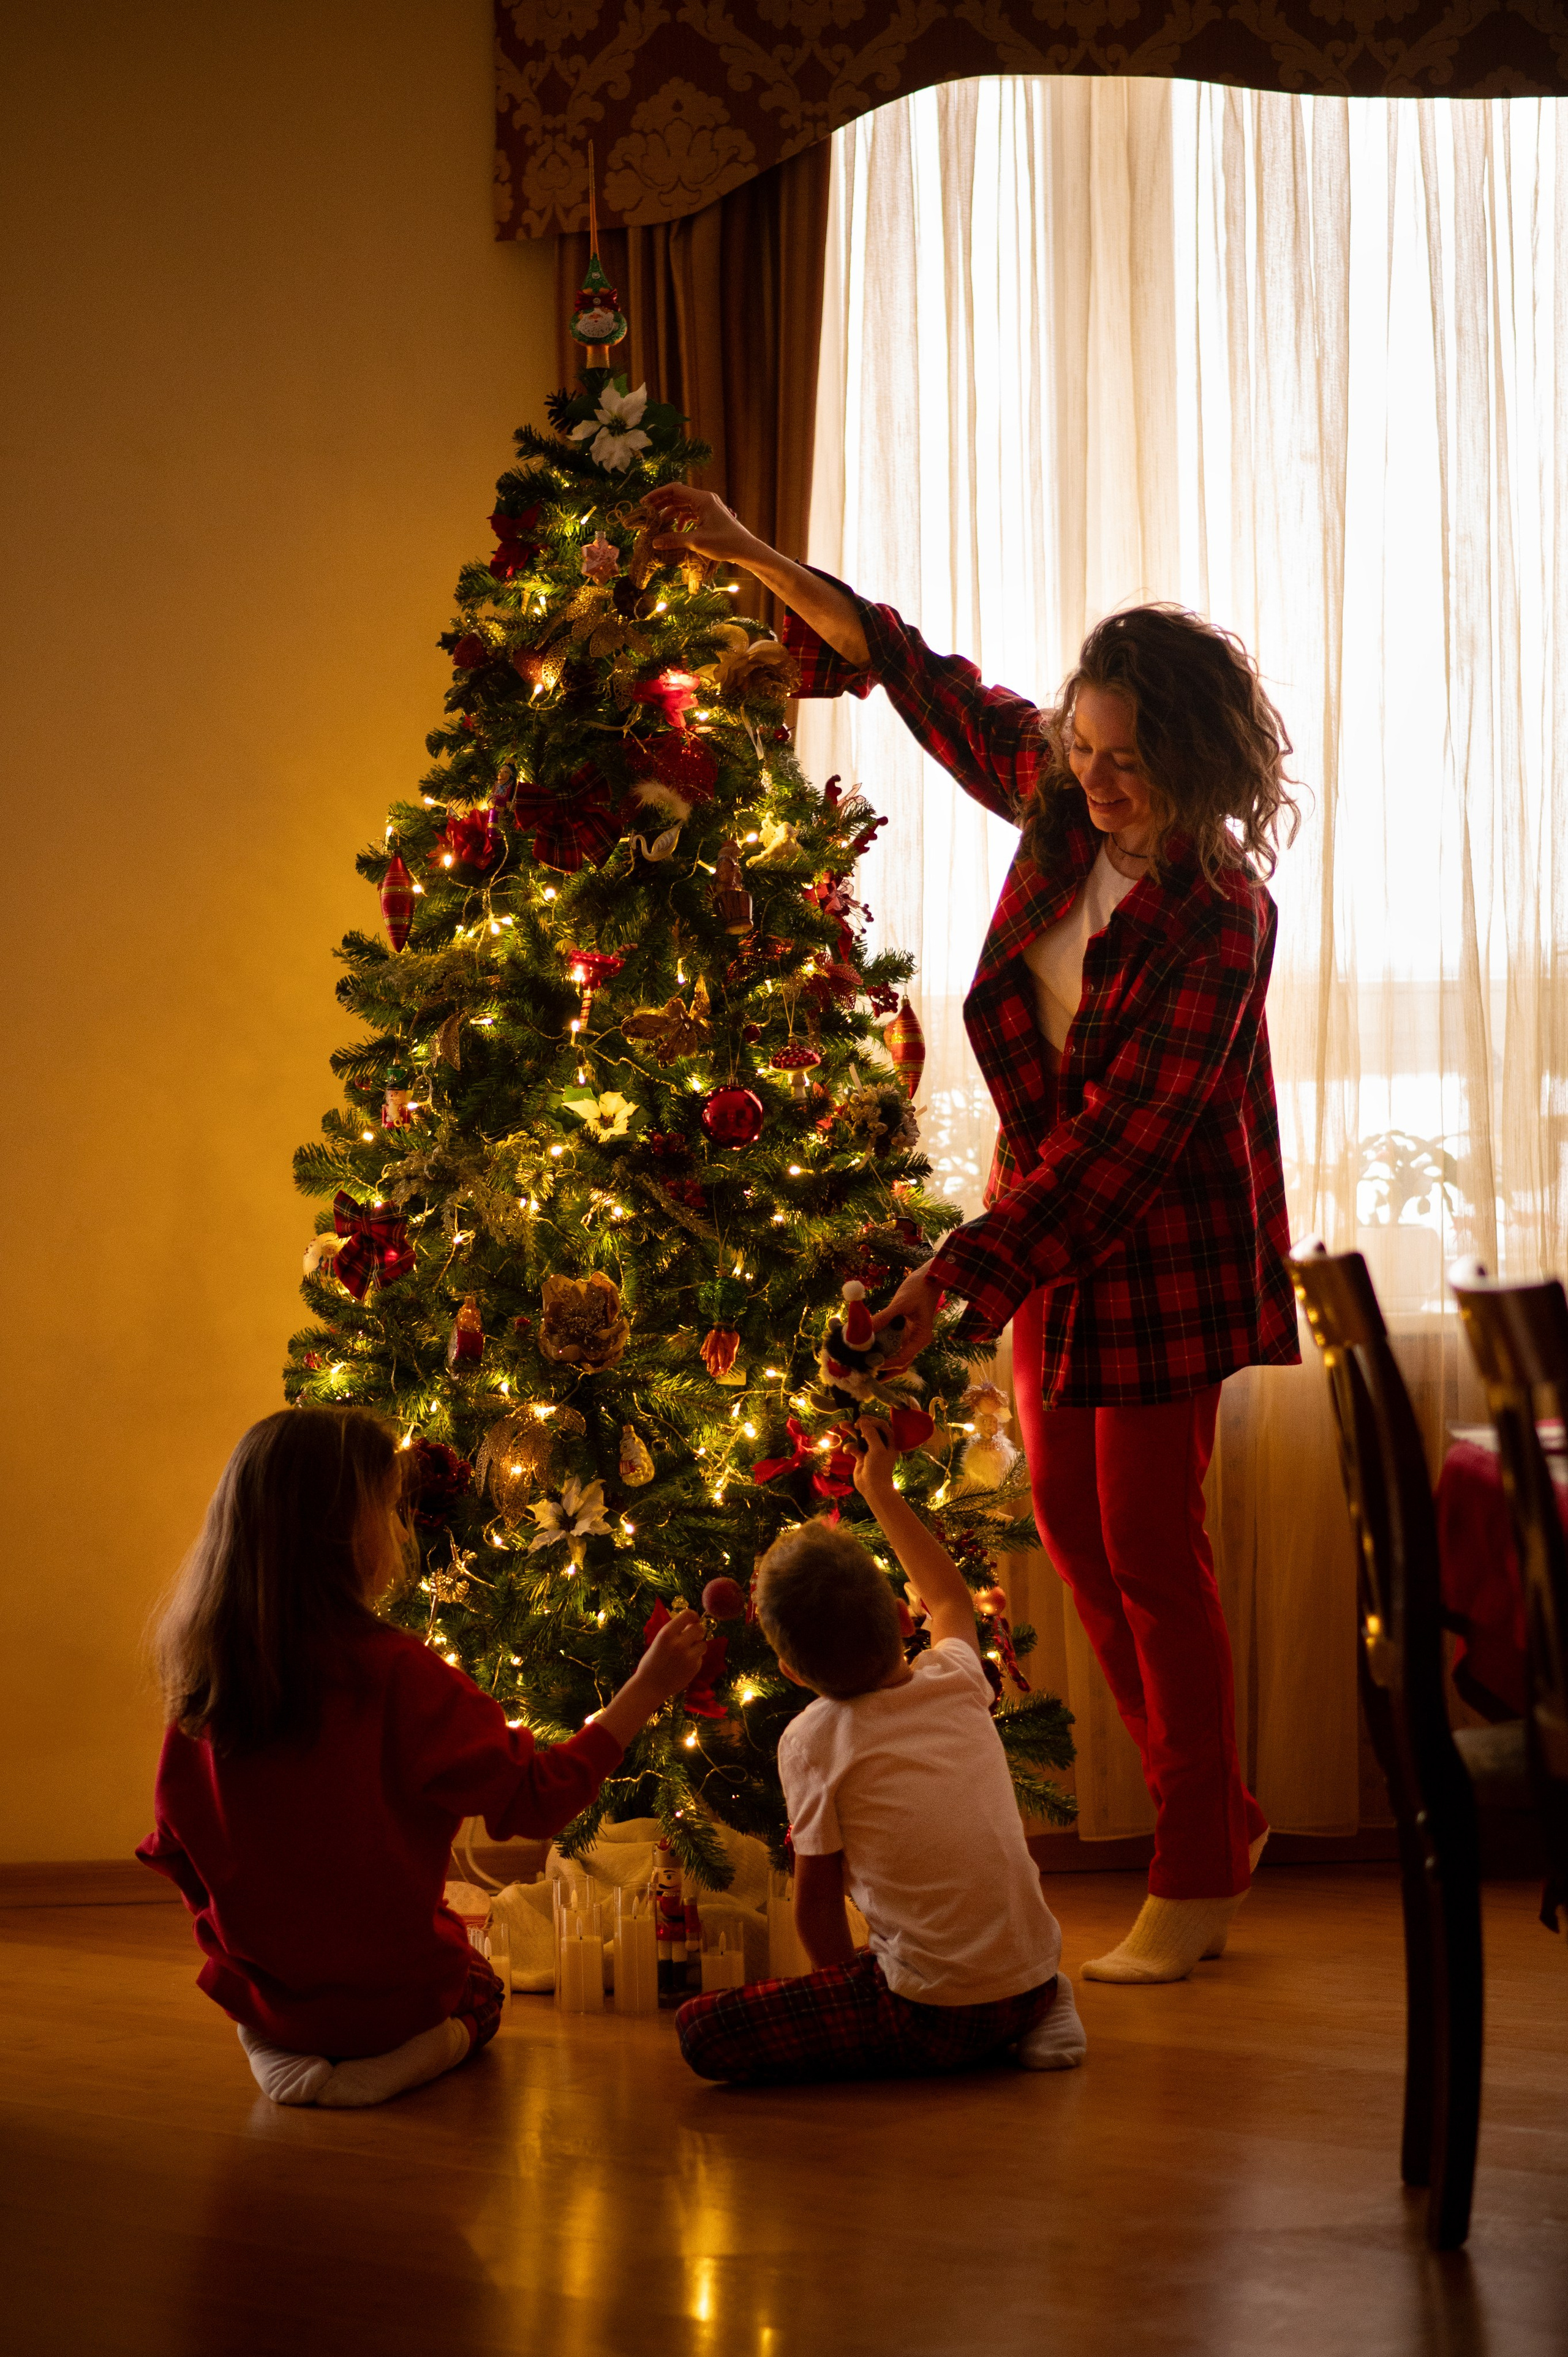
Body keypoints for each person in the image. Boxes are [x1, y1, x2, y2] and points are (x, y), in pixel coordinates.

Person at [644, 484, 1300, 1983]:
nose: (1094, 781)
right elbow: (916, 674)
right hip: (1044, 1235)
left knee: (1148, 1545)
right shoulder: (1062, 804)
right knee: (1068, 1530)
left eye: (1126, 762)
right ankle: (1223, 1810)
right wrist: (755, 558)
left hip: (1161, 1252)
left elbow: (1121, 1157)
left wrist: (948, 1281)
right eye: (1079, 752)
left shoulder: (1218, 914)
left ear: (1187, 761)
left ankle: (1196, 1855)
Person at [139, 1408, 707, 2106]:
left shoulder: (205, 1681)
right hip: (391, 2002)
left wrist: (250, 1945)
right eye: (389, 1510)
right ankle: (408, 2058)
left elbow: (174, 1848)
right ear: (347, 1533)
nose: (400, 1529)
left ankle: (272, 2040)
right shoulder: (399, 1674)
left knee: (272, 1990)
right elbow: (539, 1796)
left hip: (267, 1991)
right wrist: (646, 1688)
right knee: (482, 1983)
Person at [676, 1416, 1085, 2083]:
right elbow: (951, 1596)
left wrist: (841, 2006)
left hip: (925, 2017)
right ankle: (1039, 2005)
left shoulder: (812, 1738)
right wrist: (880, 1492)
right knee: (930, 1963)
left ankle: (973, 2022)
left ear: (792, 1671)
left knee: (700, 2031)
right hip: (1032, 1972)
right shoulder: (954, 1677)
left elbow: (816, 1903)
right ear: (900, 1615)